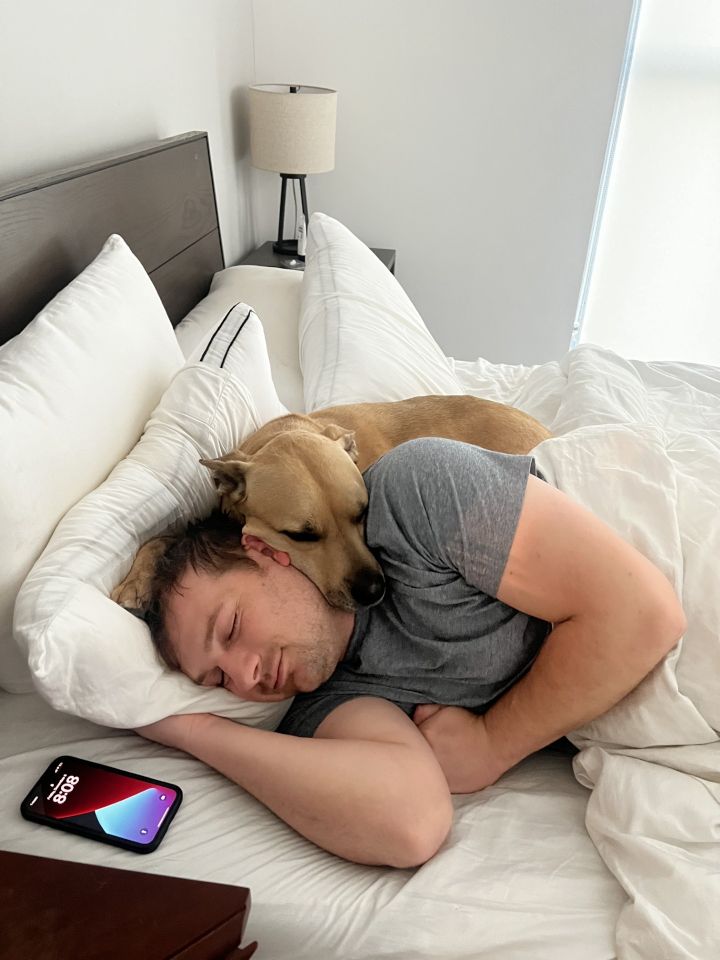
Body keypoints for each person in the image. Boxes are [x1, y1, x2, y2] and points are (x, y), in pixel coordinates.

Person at [137, 438, 685, 868]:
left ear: (263, 548)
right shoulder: (322, 703)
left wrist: (492, 744)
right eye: (217, 680)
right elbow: (411, 822)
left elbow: (642, 614)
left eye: (231, 628)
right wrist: (191, 730)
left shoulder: (411, 495)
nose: (244, 676)